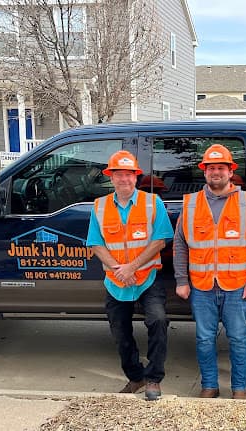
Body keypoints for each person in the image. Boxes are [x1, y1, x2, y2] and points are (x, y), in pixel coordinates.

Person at [173, 144, 246, 400]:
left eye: (221, 168)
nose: (216, 172)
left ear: (230, 172)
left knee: (238, 338)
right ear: (204, 172)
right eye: (211, 168)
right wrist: (181, 280)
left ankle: (239, 389)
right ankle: (209, 386)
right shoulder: (191, 204)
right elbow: (180, 244)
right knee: (204, 339)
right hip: (201, 286)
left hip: (237, 286)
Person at [86, 150, 174, 401]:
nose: (124, 179)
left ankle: (154, 379)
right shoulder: (100, 206)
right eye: (119, 174)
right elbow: (96, 244)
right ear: (111, 177)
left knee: (158, 320)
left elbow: (160, 240)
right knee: (120, 331)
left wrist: (132, 267)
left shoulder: (152, 202)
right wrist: (120, 270)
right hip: (116, 281)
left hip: (147, 278)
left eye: (129, 174)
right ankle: (136, 377)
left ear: (136, 177)